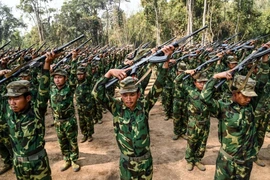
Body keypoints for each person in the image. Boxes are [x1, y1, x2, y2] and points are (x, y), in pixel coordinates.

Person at [92, 45, 174, 179]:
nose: (129, 99)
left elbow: (159, 83)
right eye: (125, 95)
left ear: (138, 94)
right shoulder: (116, 108)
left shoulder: (144, 106)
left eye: (132, 95)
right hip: (126, 164)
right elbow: (96, 93)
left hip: (145, 162)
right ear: (120, 95)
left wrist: (166, 60)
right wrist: (109, 72)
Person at [200, 46, 269, 179]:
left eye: (251, 96)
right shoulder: (224, 108)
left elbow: (261, 83)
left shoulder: (250, 106)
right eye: (245, 95)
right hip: (226, 162)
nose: (249, 99)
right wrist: (215, 77)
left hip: (245, 163)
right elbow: (205, 98)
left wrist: (265, 58)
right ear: (235, 93)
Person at [1, 51, 57, 180]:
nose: (12, 102)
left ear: (28, 98)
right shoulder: (9, 112)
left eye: (16, 98)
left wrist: (47, 64)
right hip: (19, 165)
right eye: (9, 99)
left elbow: (44, 89)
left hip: (37, 165)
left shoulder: (36, 111)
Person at [50, 50, 80, 172]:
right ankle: (66, 159)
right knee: (62, 142)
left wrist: (74, 59)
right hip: (58, 121)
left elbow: (73, 74)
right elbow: (43, 78)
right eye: (55, 77)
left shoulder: (70, 87)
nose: (57, 80)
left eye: (60, 77)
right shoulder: (51, 89)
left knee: (72, 141)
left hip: (69, 120)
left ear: (65, 78)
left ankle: (74, 160)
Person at [75, 65, 95, 143]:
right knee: (81, 121)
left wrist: (89, 64)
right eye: (78, 74)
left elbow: (89, 75)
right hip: (80, 106)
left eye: (81, 74)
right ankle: (84, 135)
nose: (79, 76)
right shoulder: (76, 83)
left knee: (88, 121)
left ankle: (90, 135)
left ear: (85, 74)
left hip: (87, 106)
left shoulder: (87, 82)